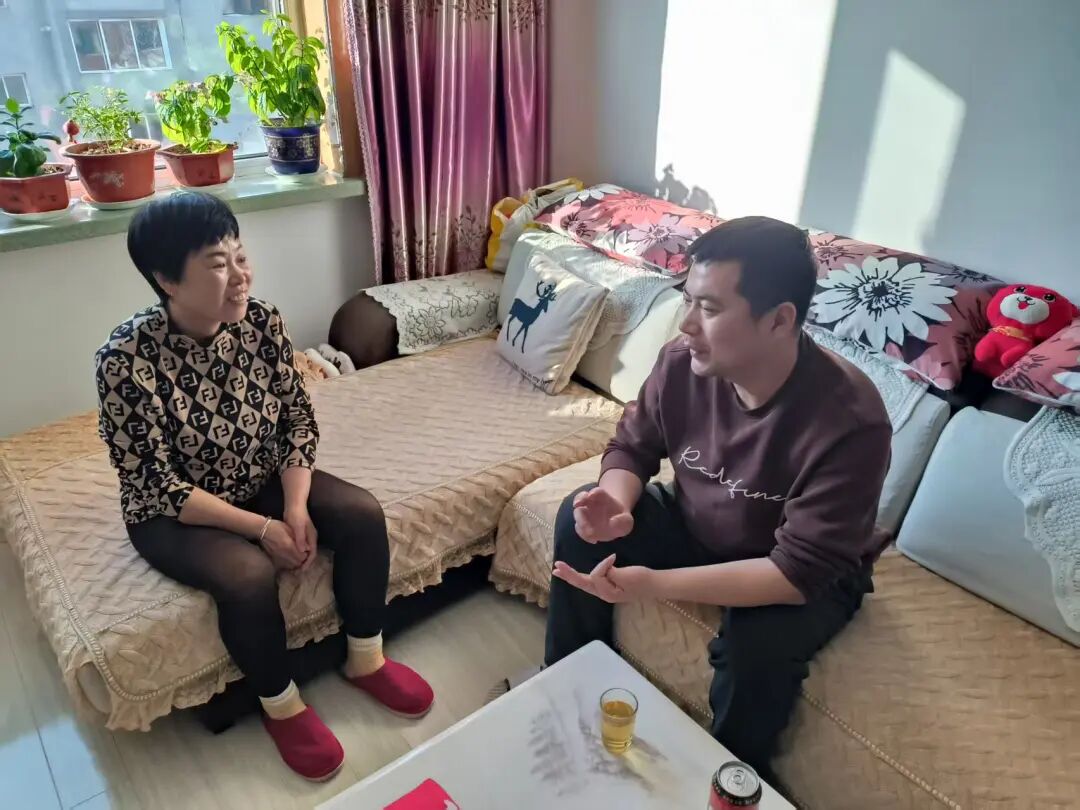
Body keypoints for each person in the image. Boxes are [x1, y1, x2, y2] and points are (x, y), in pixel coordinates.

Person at [95, 192, 433, 782]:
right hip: (173, 511)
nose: (240, 276)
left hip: (257, 474)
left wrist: (296, 507)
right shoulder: (124, 360)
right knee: (248, 574)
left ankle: (366, 658)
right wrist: (262, 529)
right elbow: (157, 483)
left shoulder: (261, 321)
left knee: (361, 514)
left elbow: (297, 419)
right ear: (166, 281)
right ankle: (282, 704)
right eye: (217, 264)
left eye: (240, 256)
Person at [545, 216, 891, 782]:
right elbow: (633, 446)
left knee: (758, 648)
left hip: (800, 570)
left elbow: (795, 572)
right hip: (698, 525)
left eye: (707, 308)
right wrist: (617, 503)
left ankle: (731, 782)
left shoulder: (850, 420)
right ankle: (569, 693)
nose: (685, 324)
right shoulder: (682, 363)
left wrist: (655, 584)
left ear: (780, 319)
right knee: (577, 517)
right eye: (688, 300)